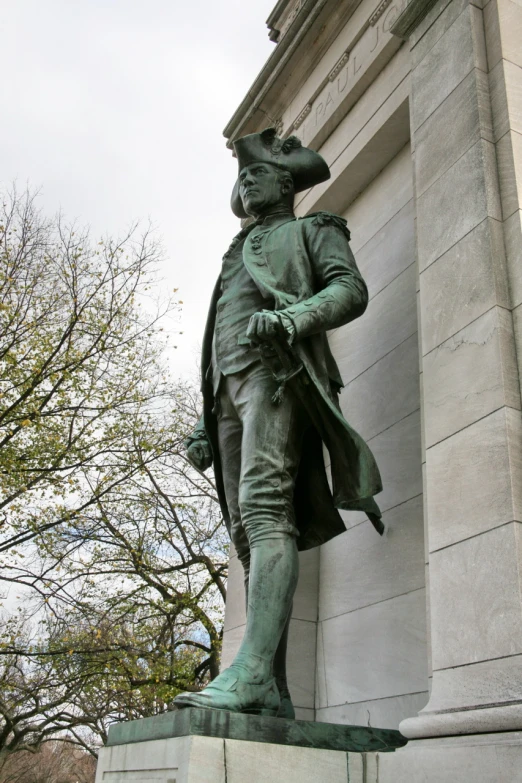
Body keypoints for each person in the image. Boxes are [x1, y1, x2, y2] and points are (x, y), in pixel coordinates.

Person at [173, 128, 383, 718]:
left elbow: (350, 290)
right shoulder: (233, 253)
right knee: (244, 532)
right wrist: (202, 423)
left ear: (285, 182)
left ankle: (253, 670)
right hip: (227, 395)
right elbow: (215, 339)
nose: (245, 182)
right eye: (241, 177)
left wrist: (293, 319)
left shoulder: (312, 230)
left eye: (255, 174)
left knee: (266, 512)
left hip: (278, 376)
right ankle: (271, 685)